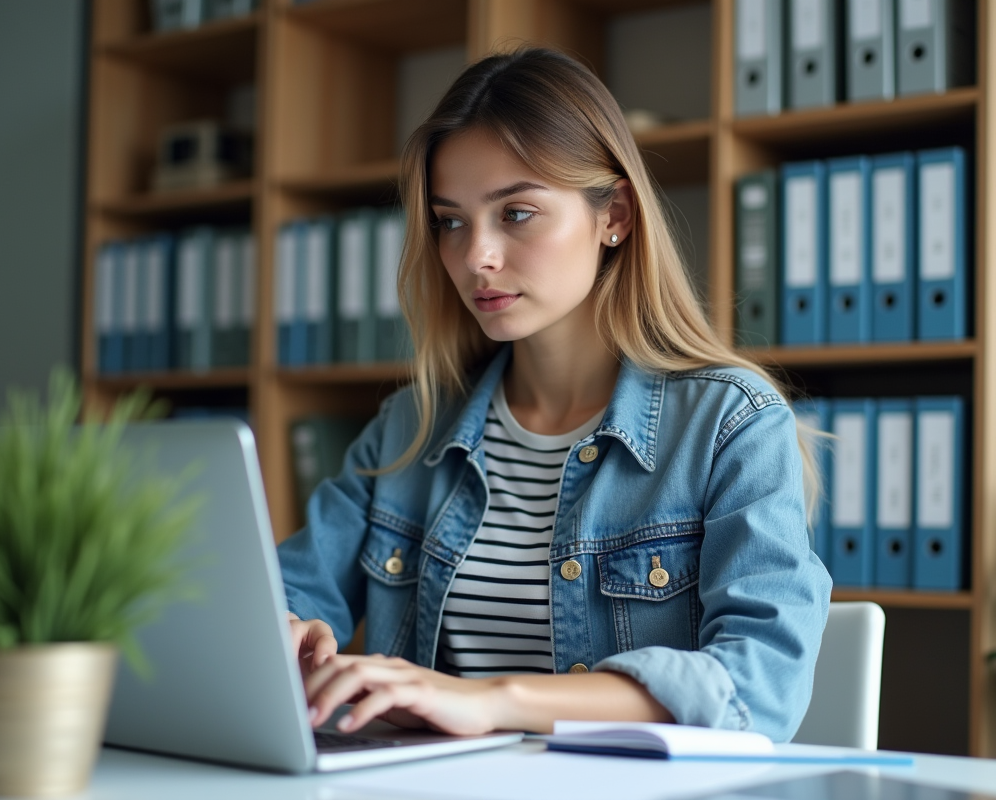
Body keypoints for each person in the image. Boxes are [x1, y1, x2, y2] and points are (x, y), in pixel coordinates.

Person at [277, 47, 832, 742]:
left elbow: (758, 685)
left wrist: (491, 700)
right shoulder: (410, 427)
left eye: (516, 213)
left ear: (615, 216)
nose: (476, 255)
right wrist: (284, 631)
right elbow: (285, 592)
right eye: (450, 221)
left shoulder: (730, 424)